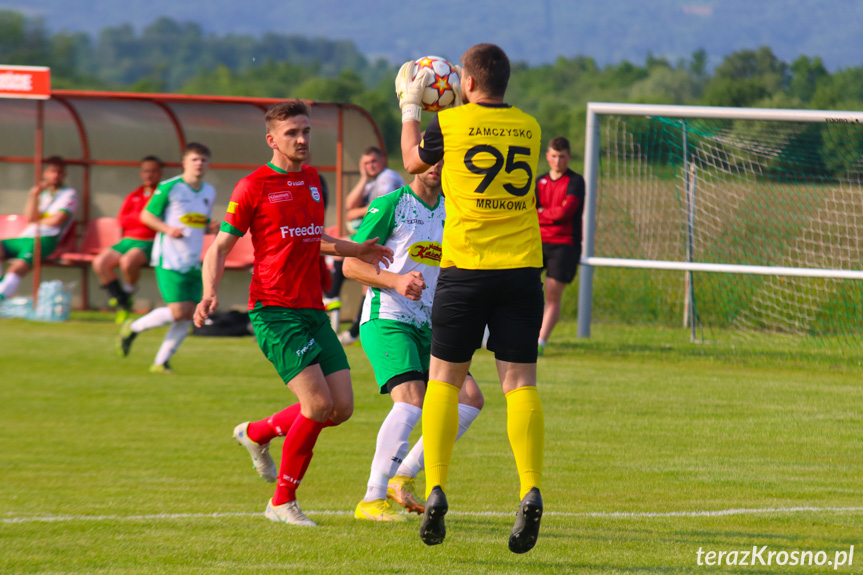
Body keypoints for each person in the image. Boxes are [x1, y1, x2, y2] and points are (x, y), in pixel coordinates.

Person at [193, 99, 393, 527]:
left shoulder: (314, 182)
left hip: (313, 309)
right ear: (272, 139)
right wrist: (209, 292)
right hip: (274, 310)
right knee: (317, 404)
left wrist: (356, 248)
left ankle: (258, 432)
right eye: (292, 133)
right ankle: (281, 503)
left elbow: (311, 237)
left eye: (306, 131)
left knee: (340, 409)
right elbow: (220, 247)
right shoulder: (253, 186)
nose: (302, 140)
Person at [398, 43, 545, 553]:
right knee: (519, 384)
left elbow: (413, 160)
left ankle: (435, 485)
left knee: (443, 380)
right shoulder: (529, 127)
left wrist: (411, 107)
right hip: (523, 270)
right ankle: (529, 486)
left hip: (466, 270)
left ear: (470, 84)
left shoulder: (454, 125)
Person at [343, 158, 484, 522]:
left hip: (432, 325)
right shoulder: (391, 204)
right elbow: (350, 264)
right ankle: (371, 498)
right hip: (387, 318)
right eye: (429, 158)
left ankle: (402, 476)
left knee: (469, 399)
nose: (436, 165)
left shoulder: (453, 210)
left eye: (443, 159)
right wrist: (395, 281)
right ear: (413, 161)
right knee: (411, 401)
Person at [117, 143, 216, 374]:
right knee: (180, 311)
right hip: (169, 259)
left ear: (209, 164)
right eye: (194, 160)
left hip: (193, 260)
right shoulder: (169, 187)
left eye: (203, 160)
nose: (199, 164)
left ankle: (161, 363)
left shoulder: (209, 191)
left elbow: (198, 222)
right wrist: (168, 229)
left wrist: (211, 228)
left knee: (188, 315)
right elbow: (146, 215)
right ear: (184, 163)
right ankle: (133, 327)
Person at [326, 147, 405, 345]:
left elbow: (383, 203)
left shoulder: (388, 177)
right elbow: (349, 203)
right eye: (366, 163)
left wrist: (358, 213)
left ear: (382, 160)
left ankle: (337, 303)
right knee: (358, 272)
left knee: (346, 255)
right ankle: (351, 322)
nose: (370, 166)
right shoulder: (372, 182)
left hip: (390, 236)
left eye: (373, 162)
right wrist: (362, 177)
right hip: (378, 236)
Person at [92, 156, 163, 324]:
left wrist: (141, 219)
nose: (149, 175)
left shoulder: (162, 193)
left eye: (153, 171)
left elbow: (156, 220)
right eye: (146, 171)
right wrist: (143, 218)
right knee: (99, 263)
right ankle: (123, 300)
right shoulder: (134, 195)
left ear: (160, 173)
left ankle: (127, 292)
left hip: (148, 241)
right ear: (141, 173)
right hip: (127, 239)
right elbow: (122, 220)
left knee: (127, 262)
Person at [0, 156, 77, 301]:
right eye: (52, 171)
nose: (55, 175)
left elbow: (57, 220)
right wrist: (33, 196)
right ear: (45, 173)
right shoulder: (42, 194)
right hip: (25, 237)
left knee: (17, 267)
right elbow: (29, 218)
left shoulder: (69, 194)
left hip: (46, 239)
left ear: (64, 175)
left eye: (59, 172)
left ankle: (2, 296)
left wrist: (37, 221)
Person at [535, 137, 585, 356]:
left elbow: (566, 213)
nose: (557, 161)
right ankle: (523, 336)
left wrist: (542, 213)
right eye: (554, 156)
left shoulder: (575, 181)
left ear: (569, 157)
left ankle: (540, 343)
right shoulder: (539, 181)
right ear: (547, 157)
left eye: (562, 156)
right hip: (537, 242)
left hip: (563, 245)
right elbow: (530, 211)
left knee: (553, 296)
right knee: (525, 290)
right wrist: (546, 214)